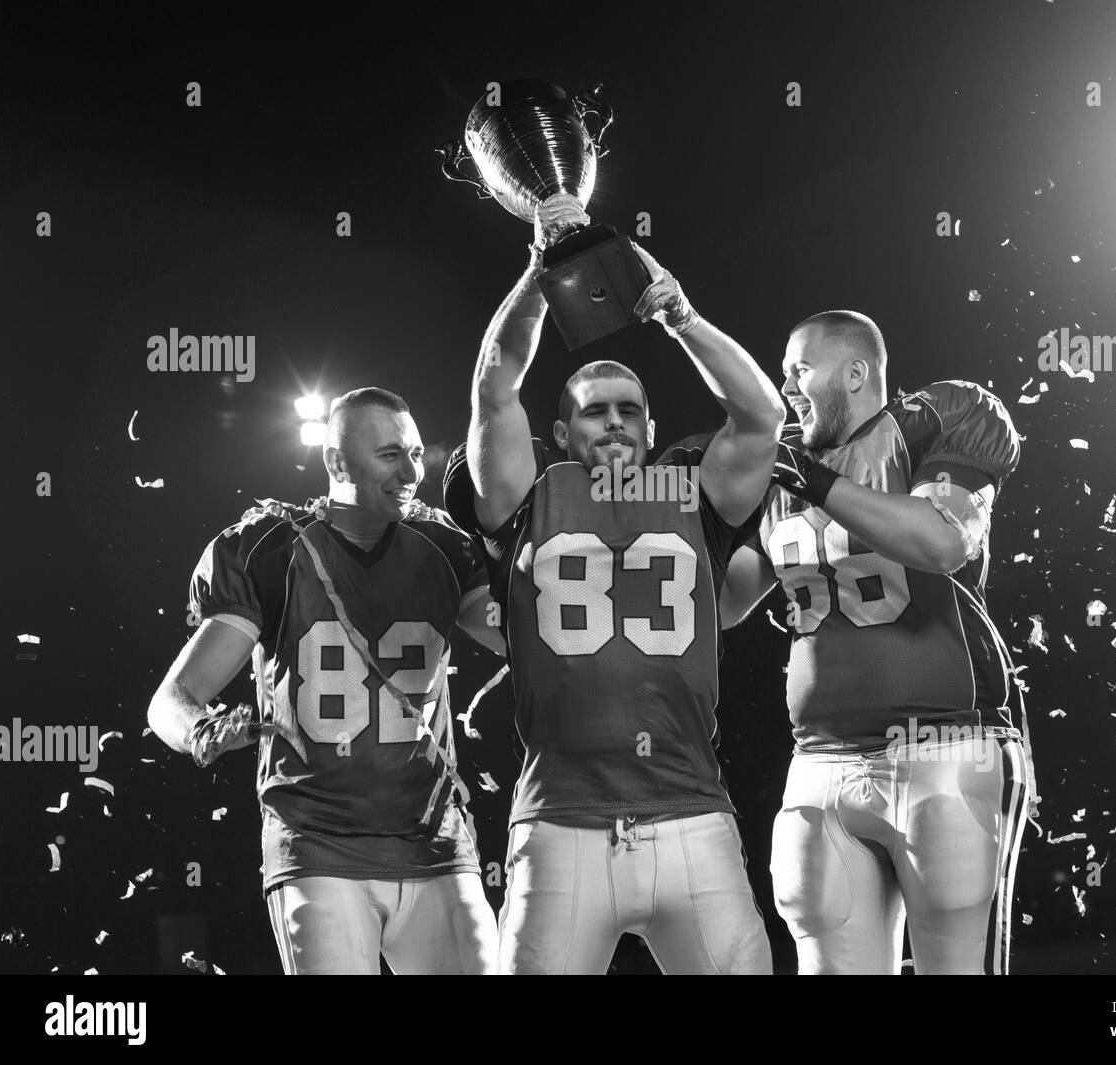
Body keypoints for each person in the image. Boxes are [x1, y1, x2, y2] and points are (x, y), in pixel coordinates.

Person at [443, 195, 783, 974]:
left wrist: (683, 318)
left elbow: (761, 416)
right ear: (560, 434)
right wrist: (539, 271)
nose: (617, 422)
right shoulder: (531, 496)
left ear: (654, 427)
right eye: (596, 412)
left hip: (692, 813)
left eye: (631, 409)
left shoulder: (692, 489)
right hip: (561, 824)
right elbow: (496, 386)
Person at [720, 310, 1036, 975]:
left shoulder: (931, 425)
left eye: (799, 369)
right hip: (821, 758)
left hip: (946, 744)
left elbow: (941, 541)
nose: (787, 389)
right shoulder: (788, 469)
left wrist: (820, 484)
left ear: (855, 371)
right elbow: (722, 603)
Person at [148, 387, 505, 974]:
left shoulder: (444, 547)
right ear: (336, 462)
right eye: (390, 455)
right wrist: (202, 731)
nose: (412, 471)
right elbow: (170, 701)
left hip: (435, 842)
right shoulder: (270, 549)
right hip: (318, 843)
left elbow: (534, 644)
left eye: (416, 454)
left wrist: (516, 541)